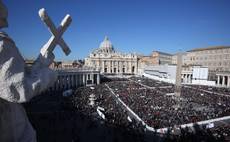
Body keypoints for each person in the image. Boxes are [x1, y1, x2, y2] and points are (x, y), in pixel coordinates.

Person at [0, 1, 57, 141]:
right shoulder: (2, 43)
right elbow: (18, 89)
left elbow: (19, 76)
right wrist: (49, 75)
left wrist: (41, 61)